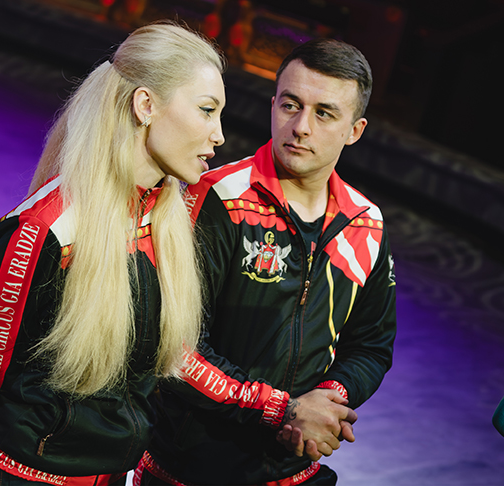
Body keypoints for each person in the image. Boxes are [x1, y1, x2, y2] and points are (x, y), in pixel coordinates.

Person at [0, 22, 226, 486]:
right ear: (145, 105)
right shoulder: (46, 228)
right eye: (207, 110)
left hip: (109, 475)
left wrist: (271, 406)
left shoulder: (165, 227)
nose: (219, 135)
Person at [134, 38, 396, 485]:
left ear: (355, 130)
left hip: (296, 471)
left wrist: (326, 401)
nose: (301, 127)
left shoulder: (365, 223)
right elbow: (174, 349)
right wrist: (284, 411)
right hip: (190, 473)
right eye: (291, 105)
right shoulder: (216, 199)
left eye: (324, 113)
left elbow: (371, 346)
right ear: (272, 105)